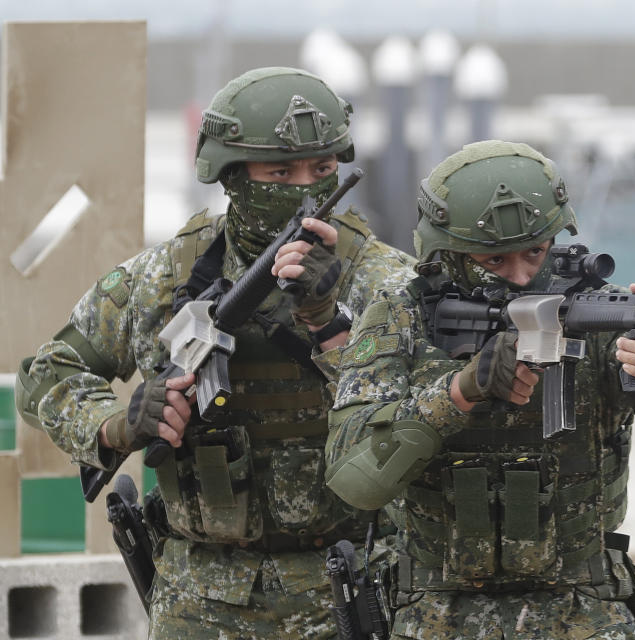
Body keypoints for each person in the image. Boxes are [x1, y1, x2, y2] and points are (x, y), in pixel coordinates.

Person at [15, 67, 417, 639]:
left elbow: (424, 419)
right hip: (198, 598)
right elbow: (47, 374)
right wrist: (114, 425)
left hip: (347, 587)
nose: (306, 187)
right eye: (280, 171)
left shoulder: (386, 282)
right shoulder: (162, 278)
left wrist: (330, 327)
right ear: (231, 176)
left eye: (323, 169)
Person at [319, 140, 635, 639]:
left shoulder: (593, 310)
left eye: (535, 252)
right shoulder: (400, 320)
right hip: (436, 613)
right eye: (493, 261)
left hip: (583, 610)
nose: (521, 276)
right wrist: (459, 392)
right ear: (444, 254)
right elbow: (354, 480)